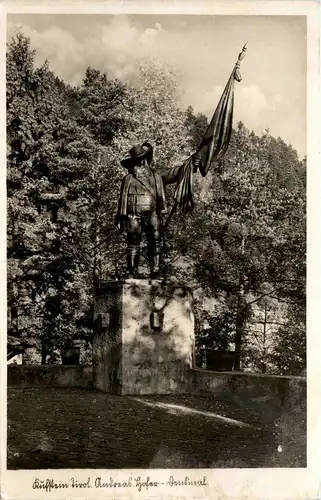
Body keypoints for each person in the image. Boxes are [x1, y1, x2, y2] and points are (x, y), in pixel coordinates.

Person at [116, 142, 200, 279]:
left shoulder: (157, 175)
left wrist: (191, 163)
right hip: (132, 214)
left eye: (139, 160)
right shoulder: (128, 179)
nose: (137, 164)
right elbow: (122, 200)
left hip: (152, 213)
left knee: (155, 240)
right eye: (134, 161)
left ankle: (155, 270)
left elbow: (176, 172)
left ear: (144, 159)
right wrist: (120, 218)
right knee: (132, 242)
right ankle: (132, 272)